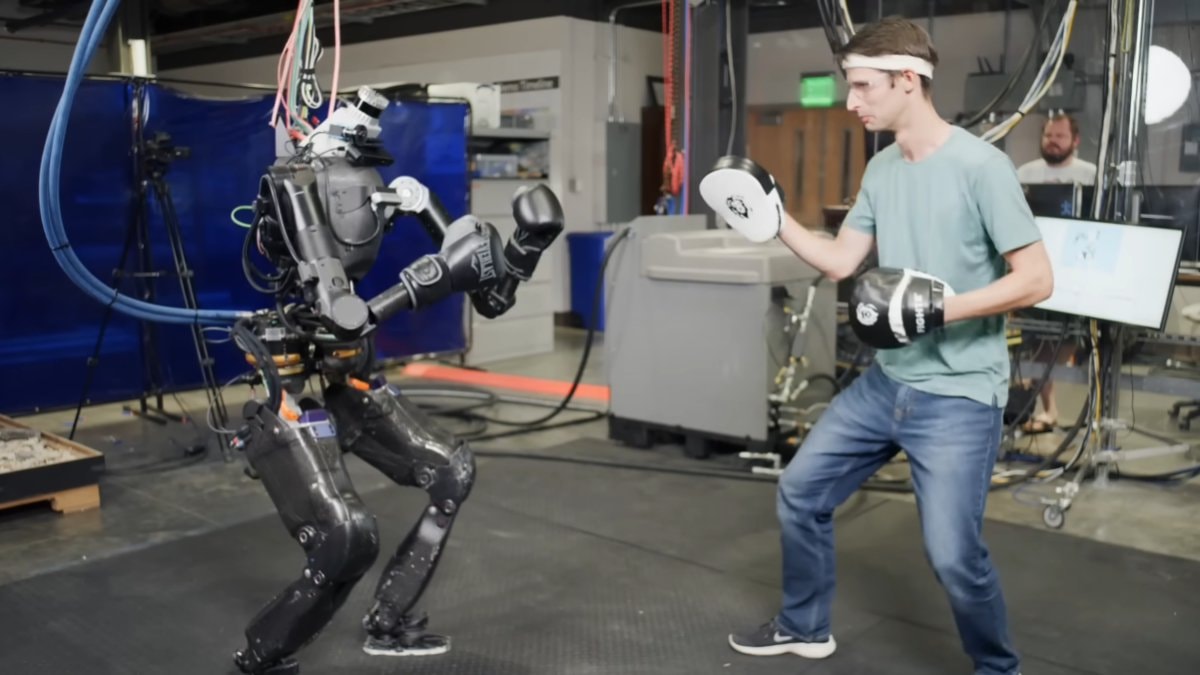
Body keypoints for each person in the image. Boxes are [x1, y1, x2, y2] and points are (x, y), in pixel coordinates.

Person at [698, 16, 1053, 675]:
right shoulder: (883, 168)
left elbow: (1036, 279)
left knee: (953, 555)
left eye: (863, 86)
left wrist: (937, 309)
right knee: (801, 490)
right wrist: (774, 220)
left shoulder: (983, 168)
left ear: (908, 80)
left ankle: (998, 667)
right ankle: (804, 626)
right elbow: (841, 260)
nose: (851, 101)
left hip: (959, 394)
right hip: (886, 383)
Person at [1015, 113, 1096, 432]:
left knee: (1071, 339)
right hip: (1034, 266)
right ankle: (1047, 410)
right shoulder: (1025, 173)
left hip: (1076, 271)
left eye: (1060, 136)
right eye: (1049, 135)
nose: (1053, 141)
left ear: (1075, 141)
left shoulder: (1090, 174)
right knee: (1035, 340)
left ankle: (1087, 412)